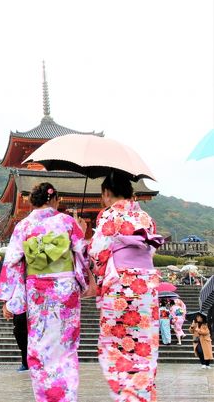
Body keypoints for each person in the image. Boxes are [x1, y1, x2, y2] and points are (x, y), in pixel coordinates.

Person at [0, 182, 88, 402]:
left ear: (31, 202)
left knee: (39, 345)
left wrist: (11, 300)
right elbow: (83, 254)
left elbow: (13, 264)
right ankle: (66, 397)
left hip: (37, 291)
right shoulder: (67, 221)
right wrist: (82, 282)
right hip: (65, 292)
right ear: (54, 199)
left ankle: (46, 397)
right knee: (66, 347)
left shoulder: (23, 227)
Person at [88, 170, 164, 402]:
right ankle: (142, 393)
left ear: (107, 192)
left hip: (120, 287)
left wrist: (85, 238)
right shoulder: (146, 218)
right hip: (146, 289)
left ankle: (128, 396)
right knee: (144, 345)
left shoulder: (108, 215)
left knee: (115, 344)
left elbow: (97, 253)